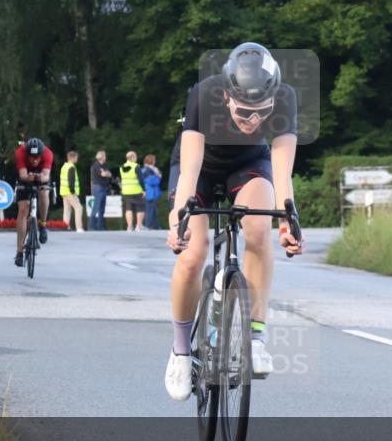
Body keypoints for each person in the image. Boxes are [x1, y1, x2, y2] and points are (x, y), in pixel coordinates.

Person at [163, 42, 303, 401]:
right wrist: (180, 216)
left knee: (258, 229)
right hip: (201, 167)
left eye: (261, 112)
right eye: (244, 112)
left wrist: (287, 222)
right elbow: (191, 166)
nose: (253, 121)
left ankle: (256, 337)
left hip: (248, 163)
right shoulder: (204, 94)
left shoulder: (285, 97)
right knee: (194, 254)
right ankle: (180, 352)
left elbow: (283, 172)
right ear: (226, 96)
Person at [14, 137, 53, 267]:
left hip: (41, 174)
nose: (35, 160)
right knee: (24, 208)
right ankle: (19, 252)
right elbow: (23, 174)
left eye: (38, 157)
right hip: (25, 176)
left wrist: (42, 177)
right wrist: (27, 178)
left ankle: (43, 224)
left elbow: (46, 174)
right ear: (27, 154)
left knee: (44, 192)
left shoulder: (47, 154)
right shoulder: (20, 153)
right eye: (32, 157)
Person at [119, 151, 146, 232]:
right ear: (133, 157)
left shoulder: (122, 167)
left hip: (126, 191)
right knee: (140, 208)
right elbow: (141, 179)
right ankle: (138, 225)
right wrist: (144, 190)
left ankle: (129, 226)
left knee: (128, 209)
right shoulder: (136, 166)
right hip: (136, 190)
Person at [60, 150, 85, 232]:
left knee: (67, 210)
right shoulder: (71, 167)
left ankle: (65, 226)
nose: (77, 159)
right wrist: (72, 190)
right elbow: (71, 180)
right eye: (76, 157)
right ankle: (79, 227)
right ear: (72, 158)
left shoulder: (64, 166)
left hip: (64, 191)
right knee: (79, 208)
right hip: (70, 192)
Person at [89, 150, 112, 231]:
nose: (106, 157)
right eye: (105, 156)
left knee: (102, 208)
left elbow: (109, 174)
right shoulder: (96, 165)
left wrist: (106, 173)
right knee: (96, 207)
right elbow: (104, 174)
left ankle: (101, 227)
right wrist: (106, 173)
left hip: (103, 187)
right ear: (102, 157)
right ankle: (91, 227)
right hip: (98, 187)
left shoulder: (104, 165)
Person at [142, 154, 162, 230]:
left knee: (153, 209)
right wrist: (159, 176)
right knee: (150, 210)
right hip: (151, 192)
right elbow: (153, 181)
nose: (155, 161)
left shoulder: (144, 169)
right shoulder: (150, 170)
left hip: (149, 192)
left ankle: (156, 226)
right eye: (154, 160)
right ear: (151, 161)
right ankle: (147, 225)